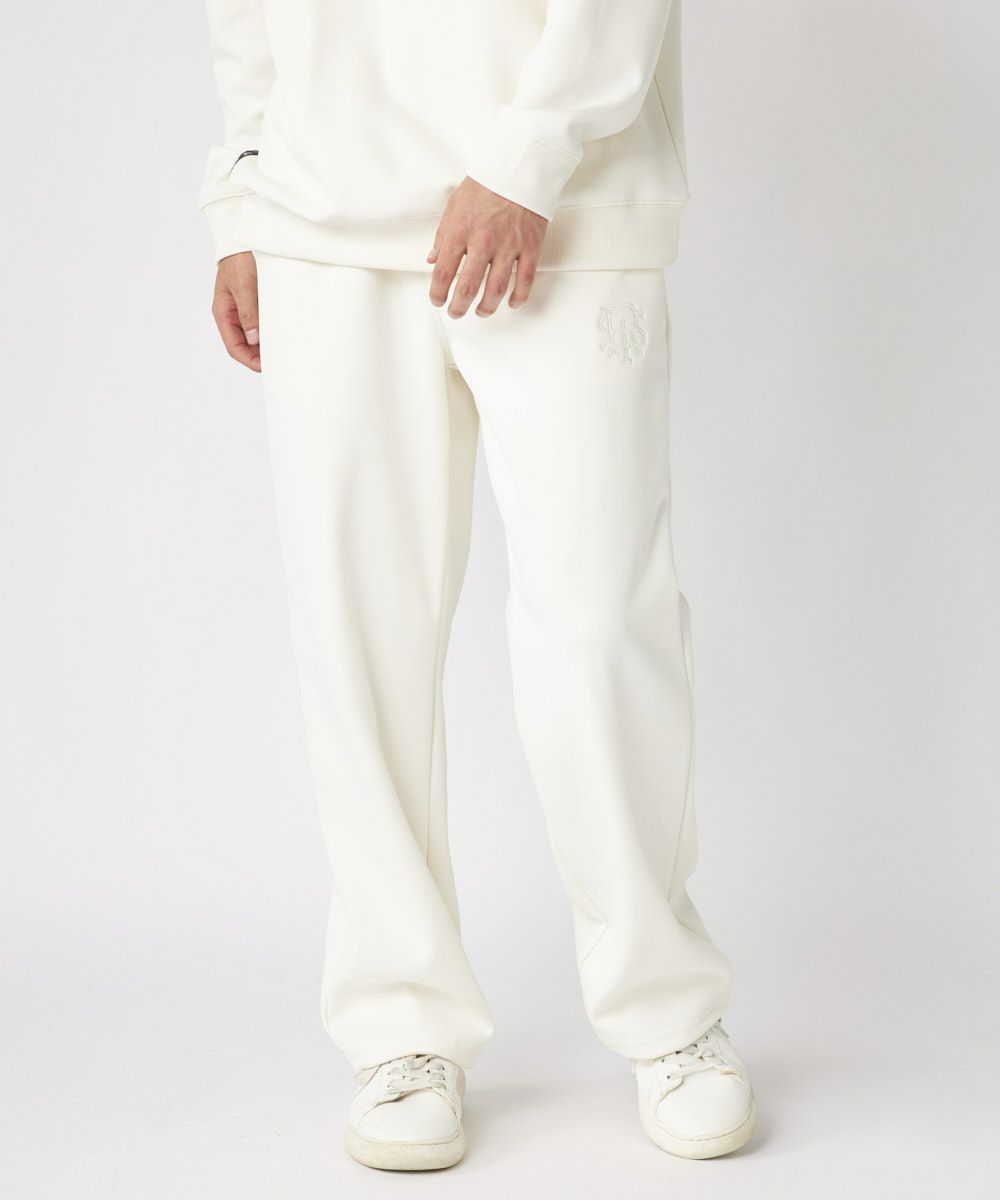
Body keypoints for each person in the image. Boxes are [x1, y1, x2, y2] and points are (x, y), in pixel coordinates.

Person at [199, 0, 756, 1171]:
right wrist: (242, 192)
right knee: (358, 638)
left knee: (599, 626)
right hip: (320, 212)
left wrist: (526, 154)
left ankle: (666, 1010)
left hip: (569, 199)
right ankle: (400, 1025)